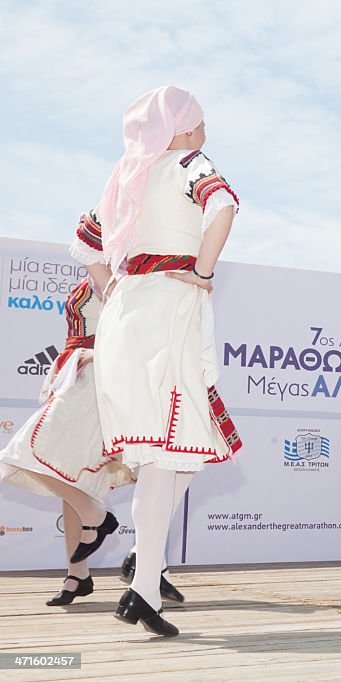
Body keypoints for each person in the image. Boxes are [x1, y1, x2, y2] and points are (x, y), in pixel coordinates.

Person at [92, 86, 242, 637]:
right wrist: (203, 271)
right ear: (181, 128)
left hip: (130, 312)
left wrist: (114, 286)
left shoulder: (126, 176)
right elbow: (224, 205)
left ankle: (146, 580)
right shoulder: (188, 163)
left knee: (171, 457)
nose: (205, 131)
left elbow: (84, 241)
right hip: (170, 311)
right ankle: (143, 584)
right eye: (200, 121)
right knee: (168, 456)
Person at [0, 216, 134, 604]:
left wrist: (96, 354)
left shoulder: (120, 283)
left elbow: (136, 337)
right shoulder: (96, 279)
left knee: (18, 456)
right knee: (69, 477)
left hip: (98, 383)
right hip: (74, 378)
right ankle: (78, 575)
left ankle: (98, 517)